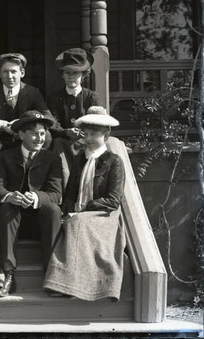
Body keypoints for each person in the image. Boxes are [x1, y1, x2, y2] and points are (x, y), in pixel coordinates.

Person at [43, 106, 126, 300]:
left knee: (76, 223)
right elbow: (71, 191)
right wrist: (70, 208)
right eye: (85, 134)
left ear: (106, 135)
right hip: (80, 213)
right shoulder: (80, 159)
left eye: (93, 134)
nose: (88, 138)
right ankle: (63, 282)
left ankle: (72, 285)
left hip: (104, 214)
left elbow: (113, 200)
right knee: (69, 222)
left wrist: (83, 209)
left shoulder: (114, 161)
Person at [0, 110, 62, 297]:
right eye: (34, 133)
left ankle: (52, 275)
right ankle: (8, 275)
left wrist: (37, 198)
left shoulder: (52, 158)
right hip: (12, 221)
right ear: (21, 134)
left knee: (53, 210)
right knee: (6, 207)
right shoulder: (5, 156)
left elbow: (55, 194)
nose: (39, 138)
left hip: (40, 221)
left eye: (42, 133)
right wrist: (10, 196)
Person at [0, 53, 52, 181]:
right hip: (0, 138)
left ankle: (37, 178)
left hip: (25, 136)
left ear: (22, 73)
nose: (9, 76)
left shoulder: (32, 92)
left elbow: (48, 117)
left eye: (13, 72)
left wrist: (24, 124)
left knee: (47, 135)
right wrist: (4, 125)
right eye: (5, 72)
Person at [47, 48, 99, 189]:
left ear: (83, 75)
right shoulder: (55, 97)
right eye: (67, 73)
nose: (71, 77)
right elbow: (52, 124)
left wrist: (84, 133)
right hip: (64, 142)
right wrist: (66, 132)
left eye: (75, 73)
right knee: (57, 143)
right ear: (62, 75)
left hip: (85, 141)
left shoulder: (90, 97)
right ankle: (61, 191)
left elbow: (95, 123)